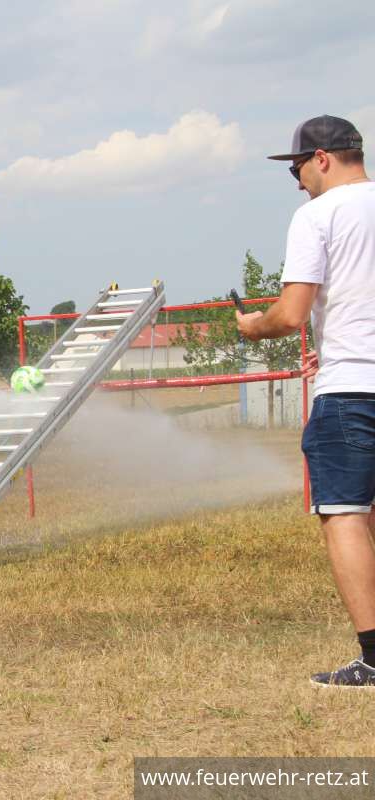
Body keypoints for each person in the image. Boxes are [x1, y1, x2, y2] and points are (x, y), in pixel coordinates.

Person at [239, 114, 375, 686]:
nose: (295, 181)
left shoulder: (317, 215)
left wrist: (251, 326)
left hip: (349, 389)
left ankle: (373, 659)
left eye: (295, 167)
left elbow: (291, 313)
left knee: (344, 512)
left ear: (322, 158)